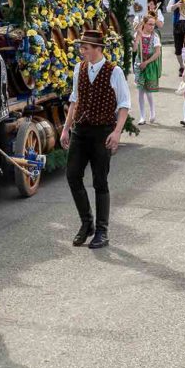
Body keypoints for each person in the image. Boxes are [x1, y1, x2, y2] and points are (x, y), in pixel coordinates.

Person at [60, 29, 131, 249]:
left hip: (102, 131)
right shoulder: (79, 68)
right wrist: (66, 129)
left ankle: (102, 231)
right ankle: (86, 223)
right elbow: (74, 100)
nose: (82, 52)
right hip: (80, 130)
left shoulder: (114, 71)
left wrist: (117, 132)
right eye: (81, 48)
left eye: (86, 48)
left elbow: (124, 104)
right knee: (72, 175)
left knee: (100, 181)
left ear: (98, 49)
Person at [134, 15, 161, 125]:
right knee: (140, 90)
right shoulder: (138, 34)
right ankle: (142, 116)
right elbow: (134, 49)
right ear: (144, 24)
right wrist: (138, 37)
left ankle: (152, 112)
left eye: (153, 24)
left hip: (149, 64)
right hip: (139, 63)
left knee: (149, 91)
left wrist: (147, 62)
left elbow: (157, 53)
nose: (152, 26)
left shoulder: (155, 36)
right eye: (150, 24)